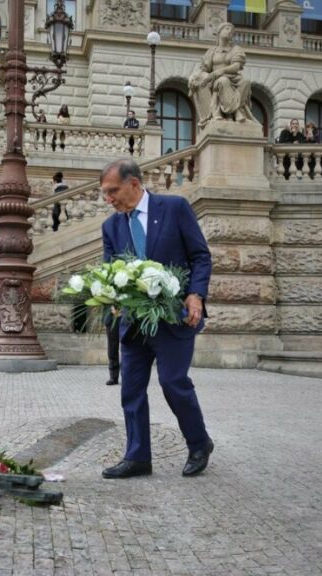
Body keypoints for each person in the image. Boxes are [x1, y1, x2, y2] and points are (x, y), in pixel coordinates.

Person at [100, 158, 213, 479]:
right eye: (104, 193)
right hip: (134, 322)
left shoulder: (174, 208)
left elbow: (200, 256)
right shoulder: (111, 226)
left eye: (112, 191)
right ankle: (138, 457)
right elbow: (111, 271)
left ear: (134, 184)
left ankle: (199, 443)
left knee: (172, 382)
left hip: (175, 317)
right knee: (131, 389)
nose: (108, 199)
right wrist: (112, 298)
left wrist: (196, 294)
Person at [189, 22, 258, 128]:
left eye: (232, 30)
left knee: (246, 82)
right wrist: (193, 77)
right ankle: (236, 112)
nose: (230, 31)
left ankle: (234, 112)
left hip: (233, 78)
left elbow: (236, 66)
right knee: (223, 81)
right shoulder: (211, 52)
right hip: (215, 81)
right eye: (227, 28)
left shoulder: (236, 49)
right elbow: (204, 69)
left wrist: (219, 72)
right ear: (219, 32)